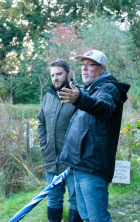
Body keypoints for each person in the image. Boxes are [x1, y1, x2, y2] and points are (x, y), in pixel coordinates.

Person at [57, 50, 130, 221]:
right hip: (81, 164)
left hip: (93, 165)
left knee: (98, 218)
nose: (84, 69)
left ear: (102, 68)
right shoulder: (90, 89)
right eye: (83, 64)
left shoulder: (109, 89)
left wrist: (80, 99)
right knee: (87, 217)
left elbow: (104, 108)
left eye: (90, 64)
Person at [37, 59, 83, 222]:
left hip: (73, 160)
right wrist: (44, 145)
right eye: (52, 75)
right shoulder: (48, 96)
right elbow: (41, 121)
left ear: (68, 74)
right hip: (51, 158)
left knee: (76, 200)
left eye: (59, 74)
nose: (55, 78)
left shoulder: (80, 95)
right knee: (53, 198)